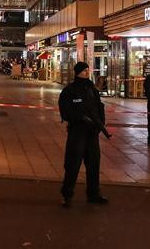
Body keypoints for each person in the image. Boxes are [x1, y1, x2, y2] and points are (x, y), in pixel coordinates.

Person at [58, 61, 111, 207]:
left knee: (94, 164)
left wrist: (100, 124)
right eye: (84, 70)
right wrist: (80, 118)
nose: (87, 72)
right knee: (72, 164)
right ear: (78, 72)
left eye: (88, 70)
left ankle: (93, 194)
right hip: (77, 132)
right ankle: (67, 195)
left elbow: (99, 107)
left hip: (92, 133)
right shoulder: (70, 90)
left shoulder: (92, 89)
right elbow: (65, 111)